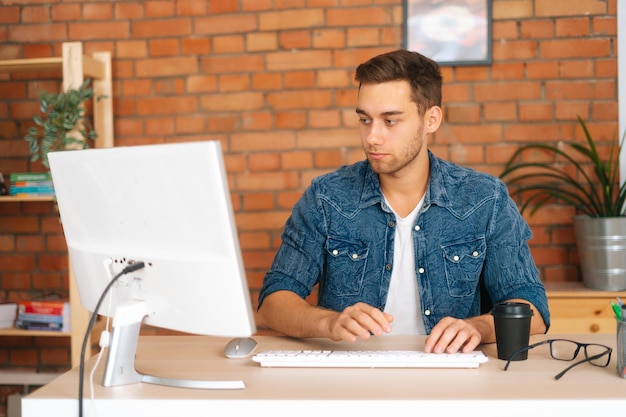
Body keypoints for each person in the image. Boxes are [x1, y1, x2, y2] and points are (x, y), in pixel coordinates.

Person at [257, 49, 549, 354]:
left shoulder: (485, 199)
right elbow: (273, 302)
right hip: (349, 377)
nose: (372, 137)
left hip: (450, 376)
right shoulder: (326, 197)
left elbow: (533, 309)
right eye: (365, 120)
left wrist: (478, 327)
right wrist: (329, 323)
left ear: (431, 119)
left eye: (390, 121)